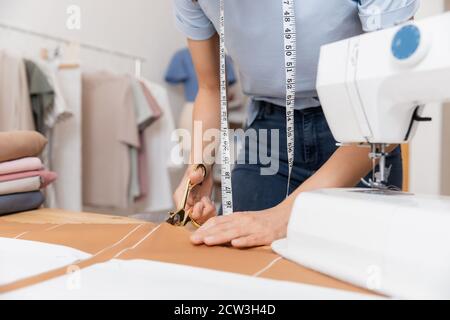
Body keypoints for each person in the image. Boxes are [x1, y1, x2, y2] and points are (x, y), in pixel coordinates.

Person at [172, 0, 420, 248]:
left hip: (358, 124)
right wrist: (200, 167)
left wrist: (283, 216)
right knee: (239, 259)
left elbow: (393, 99)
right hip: (269, 131)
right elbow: (209, 87)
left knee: (357, 266)